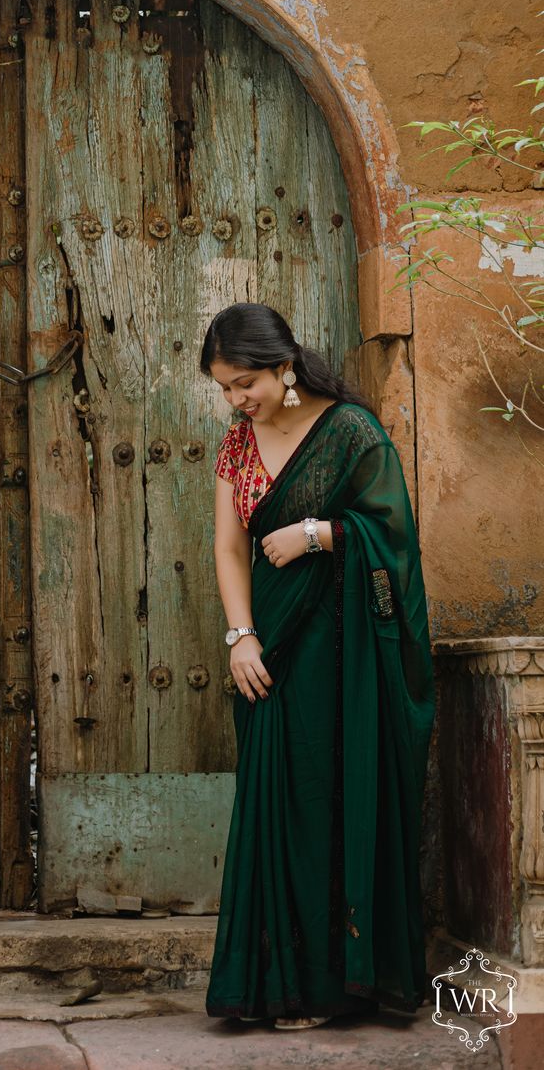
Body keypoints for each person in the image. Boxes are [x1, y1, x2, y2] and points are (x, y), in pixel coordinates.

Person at [201, 303, 434, 1028]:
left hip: (344, 656)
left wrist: (319, 532)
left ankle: (340, 985)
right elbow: (230, 546)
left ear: (283, 365)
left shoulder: (352, 433)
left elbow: (393, 537)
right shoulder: (239, 445)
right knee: (281, 804)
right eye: (225, 389)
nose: (237, 401)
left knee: (331, 802)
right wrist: (240, 635)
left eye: (245, 384)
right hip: (270, 652)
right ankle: (281, 985)